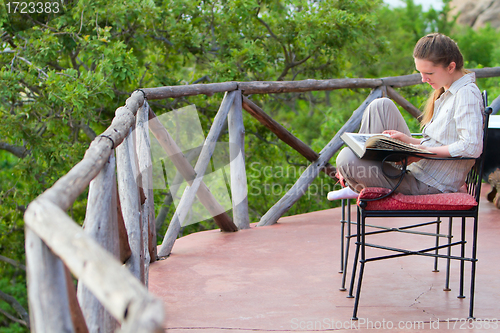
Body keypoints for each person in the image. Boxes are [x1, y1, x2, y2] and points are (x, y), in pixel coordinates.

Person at [327, 32, 484, 201]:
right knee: (381, 106)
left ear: (451, 67)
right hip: (421, 165)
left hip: (429, 183)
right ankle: (359, 181)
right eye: (420, 73)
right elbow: (441, 141)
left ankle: (358, 182)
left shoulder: (466, 95)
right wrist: (410, 142)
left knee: (346, 157)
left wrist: (422, 150)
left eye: (429, 73)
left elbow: (471, 147)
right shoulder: (448, 92)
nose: (423, 79)